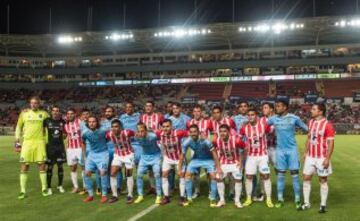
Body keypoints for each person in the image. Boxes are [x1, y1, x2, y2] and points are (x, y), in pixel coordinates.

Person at [267, 99, 308, 209]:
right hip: (279, 151)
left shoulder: (294, 118)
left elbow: (308, 129)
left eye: (279, 106)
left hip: (292, 151)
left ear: (285, 107)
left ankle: (298, 200)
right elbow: (261, 125)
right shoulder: (273, 119)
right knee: (280, 176)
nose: (277, 108)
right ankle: (280, 199)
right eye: (276, 106)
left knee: (295, 176)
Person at [300, 103, 335, 213]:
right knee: (306, 178)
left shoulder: (327, 125)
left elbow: (331, 143)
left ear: (320, 112)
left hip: (321, 157)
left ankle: (323, 205)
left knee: (323, 180)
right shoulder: (311, 122)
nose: (311, 110)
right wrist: (306, 152)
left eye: (314, 109)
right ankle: (306, 203)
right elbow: (309, 138)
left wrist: (327, 159)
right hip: (310, 156)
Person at [15, 96, 49, 199]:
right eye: (32, 103)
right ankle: (22, 191)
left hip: (39, 142)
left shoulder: (44, 114)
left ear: (39, 104)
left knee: (42, 165)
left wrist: (47, 141)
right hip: (27, 143)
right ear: (30, 104)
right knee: (24, 165)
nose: (33, 104)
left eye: (36, 103)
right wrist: (17, 140)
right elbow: (18, 126)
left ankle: (44, 188)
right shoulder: (24, 113)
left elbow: (48, 128)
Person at [180, 124, 221, 208]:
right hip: (196, 159)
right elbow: (182, 155)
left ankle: (213, 198)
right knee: (187, 175)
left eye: (195, 132)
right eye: (191, 132)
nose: (193, 134)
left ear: (198, 132)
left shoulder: (205, 140)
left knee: (213, 176)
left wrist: (218, 167)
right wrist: (179, 168)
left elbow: (214, 153)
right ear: (189, 133)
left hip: (208, 159)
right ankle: (189, 198)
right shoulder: (186, 142)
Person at [240, 109, 274, 208]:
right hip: (251, 156)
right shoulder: (245, 128)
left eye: (252, 114)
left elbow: (272, 130)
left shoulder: (263, 126)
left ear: (256, 116)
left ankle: (268, 199)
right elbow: (238, 138)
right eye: (249, 115)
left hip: (263, 156)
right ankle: (249, 198)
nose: (250, 116)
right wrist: (244, 145)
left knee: (266, 176)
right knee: (249, 177)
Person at [154, 119, 188, 205]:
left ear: (172, 126)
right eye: (164, 127)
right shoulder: (159, 133)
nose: (165, 128)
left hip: (179, 158)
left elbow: (190, 133)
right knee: (164, 175)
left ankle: (182, 197)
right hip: (168, 158)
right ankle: (166, 197)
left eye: (167, 126)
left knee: (181, 175)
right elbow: (151, 133)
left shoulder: (178, 133)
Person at [213, 124, 244, 208]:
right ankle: (222, 200)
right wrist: (218, 166)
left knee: (238, 180)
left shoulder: (236, 140)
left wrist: (240, 162)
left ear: (229, 132)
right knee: (219, 178)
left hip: (235, 162)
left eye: (224, 131)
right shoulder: (217, 141)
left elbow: (243, 149)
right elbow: (214, 152)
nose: (222, 133)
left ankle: (237, 200)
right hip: (224, 162)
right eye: (220, 131)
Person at [106, 119, 135, 204]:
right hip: (118, 154)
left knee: (128, 174)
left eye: (116, 127)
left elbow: (136, 135)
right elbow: (104, 139)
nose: (114, 128)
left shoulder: (127, 132)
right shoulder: (109, 134)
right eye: (112, 127)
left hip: (129, 154)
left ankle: (130, 195)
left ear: (120, 127)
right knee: (112, 173)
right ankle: (115, 195)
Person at [82, 116, 109, 203]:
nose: (92, 123)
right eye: (90, 122)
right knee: (86, 173)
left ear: (97, 123)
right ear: (87, 123)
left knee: (102, 173)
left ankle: (104, 195)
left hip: (103, 154)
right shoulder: (85, 133)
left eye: (93, 121)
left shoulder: (103, 130)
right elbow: (83, 143)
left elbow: (109, 136)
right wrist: (85, 156)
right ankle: (90, 195)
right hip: (92, 155)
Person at [133, 123, 162, 204]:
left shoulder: (153, 136)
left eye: (142, 131)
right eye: (139, 131)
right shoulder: (136, 137)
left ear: (146, 131)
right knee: (139, 174)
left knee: (157, 174)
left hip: (155, 155)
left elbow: (161, 135)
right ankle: (140, 195)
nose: (141, 133)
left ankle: (159, 195)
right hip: (144, 157)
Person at [43, 105, 66, 195]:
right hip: (50, 148)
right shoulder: (47, 121)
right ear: (51, 112)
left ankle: (60, 185)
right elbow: (41, 130)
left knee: (60, 166)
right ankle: (49, 187)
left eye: (57, 111)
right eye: (54, 111)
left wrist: (64, 135)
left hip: (60, 147)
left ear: (59, 112)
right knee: (50, 167)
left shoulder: (62, 122)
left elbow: (65, 133)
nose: (55, 112)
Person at [101, 106, 122, 194]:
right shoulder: (103, 122)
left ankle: (118, 187)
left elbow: (121, 133)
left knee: (118, 168)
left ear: (113, 112)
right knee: (107, 168)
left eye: (109, 111)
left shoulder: (118, 121)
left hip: (116, 148)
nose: (107, 113)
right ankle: (109, 186)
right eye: (106, 111)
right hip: (106, 148)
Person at [64, 108, 84, 193]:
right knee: (73, 168)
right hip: (70, 149)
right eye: (68, 114)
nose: (70, 115)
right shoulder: (65, 125)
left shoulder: (81, 122)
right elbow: (65, 135)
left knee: (83, 167)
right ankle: (76, 187)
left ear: (75, 114)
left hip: (80, 148)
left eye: (71, 113)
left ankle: (85, 186)